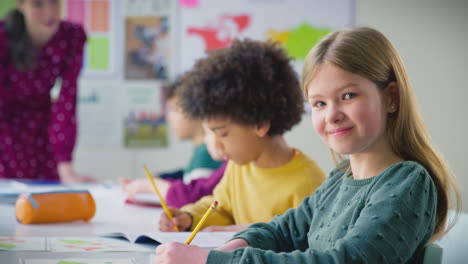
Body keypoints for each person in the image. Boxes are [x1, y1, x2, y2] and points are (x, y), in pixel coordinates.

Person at [155, 27, 462, 264]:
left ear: (391, 98)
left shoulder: (408, 182)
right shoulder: (341, 179)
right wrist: (236, 246)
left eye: (348, 96)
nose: (332, 114)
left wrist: (214, 260)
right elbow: (282, 230)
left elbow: (343, 262)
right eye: (319, 103)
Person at [158, 39, 326, 233]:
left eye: (223, 133)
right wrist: (189, 217)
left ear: (260, 124)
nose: (216, 146)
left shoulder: (307, 182)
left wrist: (233, 231)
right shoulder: (238, 167)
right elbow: (220, 208)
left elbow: (298, 238)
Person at [0, 0, 92, 183]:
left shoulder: (71, 36)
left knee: (46, 194)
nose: (49, 12)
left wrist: (65, 165)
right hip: (5, 126)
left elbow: (67, 99)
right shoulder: (3, 37)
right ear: (21, 6)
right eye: (38, 4)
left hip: (43, 129)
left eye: (54, 2)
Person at [120, 78, 224, 204]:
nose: (169, 117)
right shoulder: (201, 151)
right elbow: (187, 177)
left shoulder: (208, 154)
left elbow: (196, 198)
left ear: (199, 112)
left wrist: (150, 186)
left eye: (175, 109)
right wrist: (156, 180)